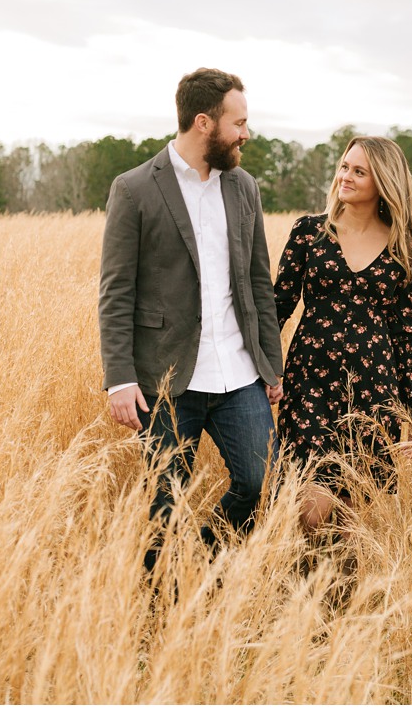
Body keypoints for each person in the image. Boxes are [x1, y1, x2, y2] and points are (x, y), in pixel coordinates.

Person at [98, 69, 283, 568]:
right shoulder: (134, 188)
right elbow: (116, 291)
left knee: (255, 481)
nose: (246, 133)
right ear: (204, 123)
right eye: (238, 123)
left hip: (240, 373)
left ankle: (206, 559)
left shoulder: (244, 187)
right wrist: (119, 380)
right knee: (167, 503)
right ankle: (163, 607)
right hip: (166, 378)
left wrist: (272, 366)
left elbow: (257, 282)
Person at [273, 137, 412, 537]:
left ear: (383, 182)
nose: (345, 176)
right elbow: (277, 308)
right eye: (345, 167)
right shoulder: (310, 232)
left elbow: (404, 336)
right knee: (312, 503)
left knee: (350, 504)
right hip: (309, 382)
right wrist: (264, 369)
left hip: (373, 390)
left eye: (359, 171)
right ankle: (311, 576)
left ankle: (333, 589)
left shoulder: (402, 247)